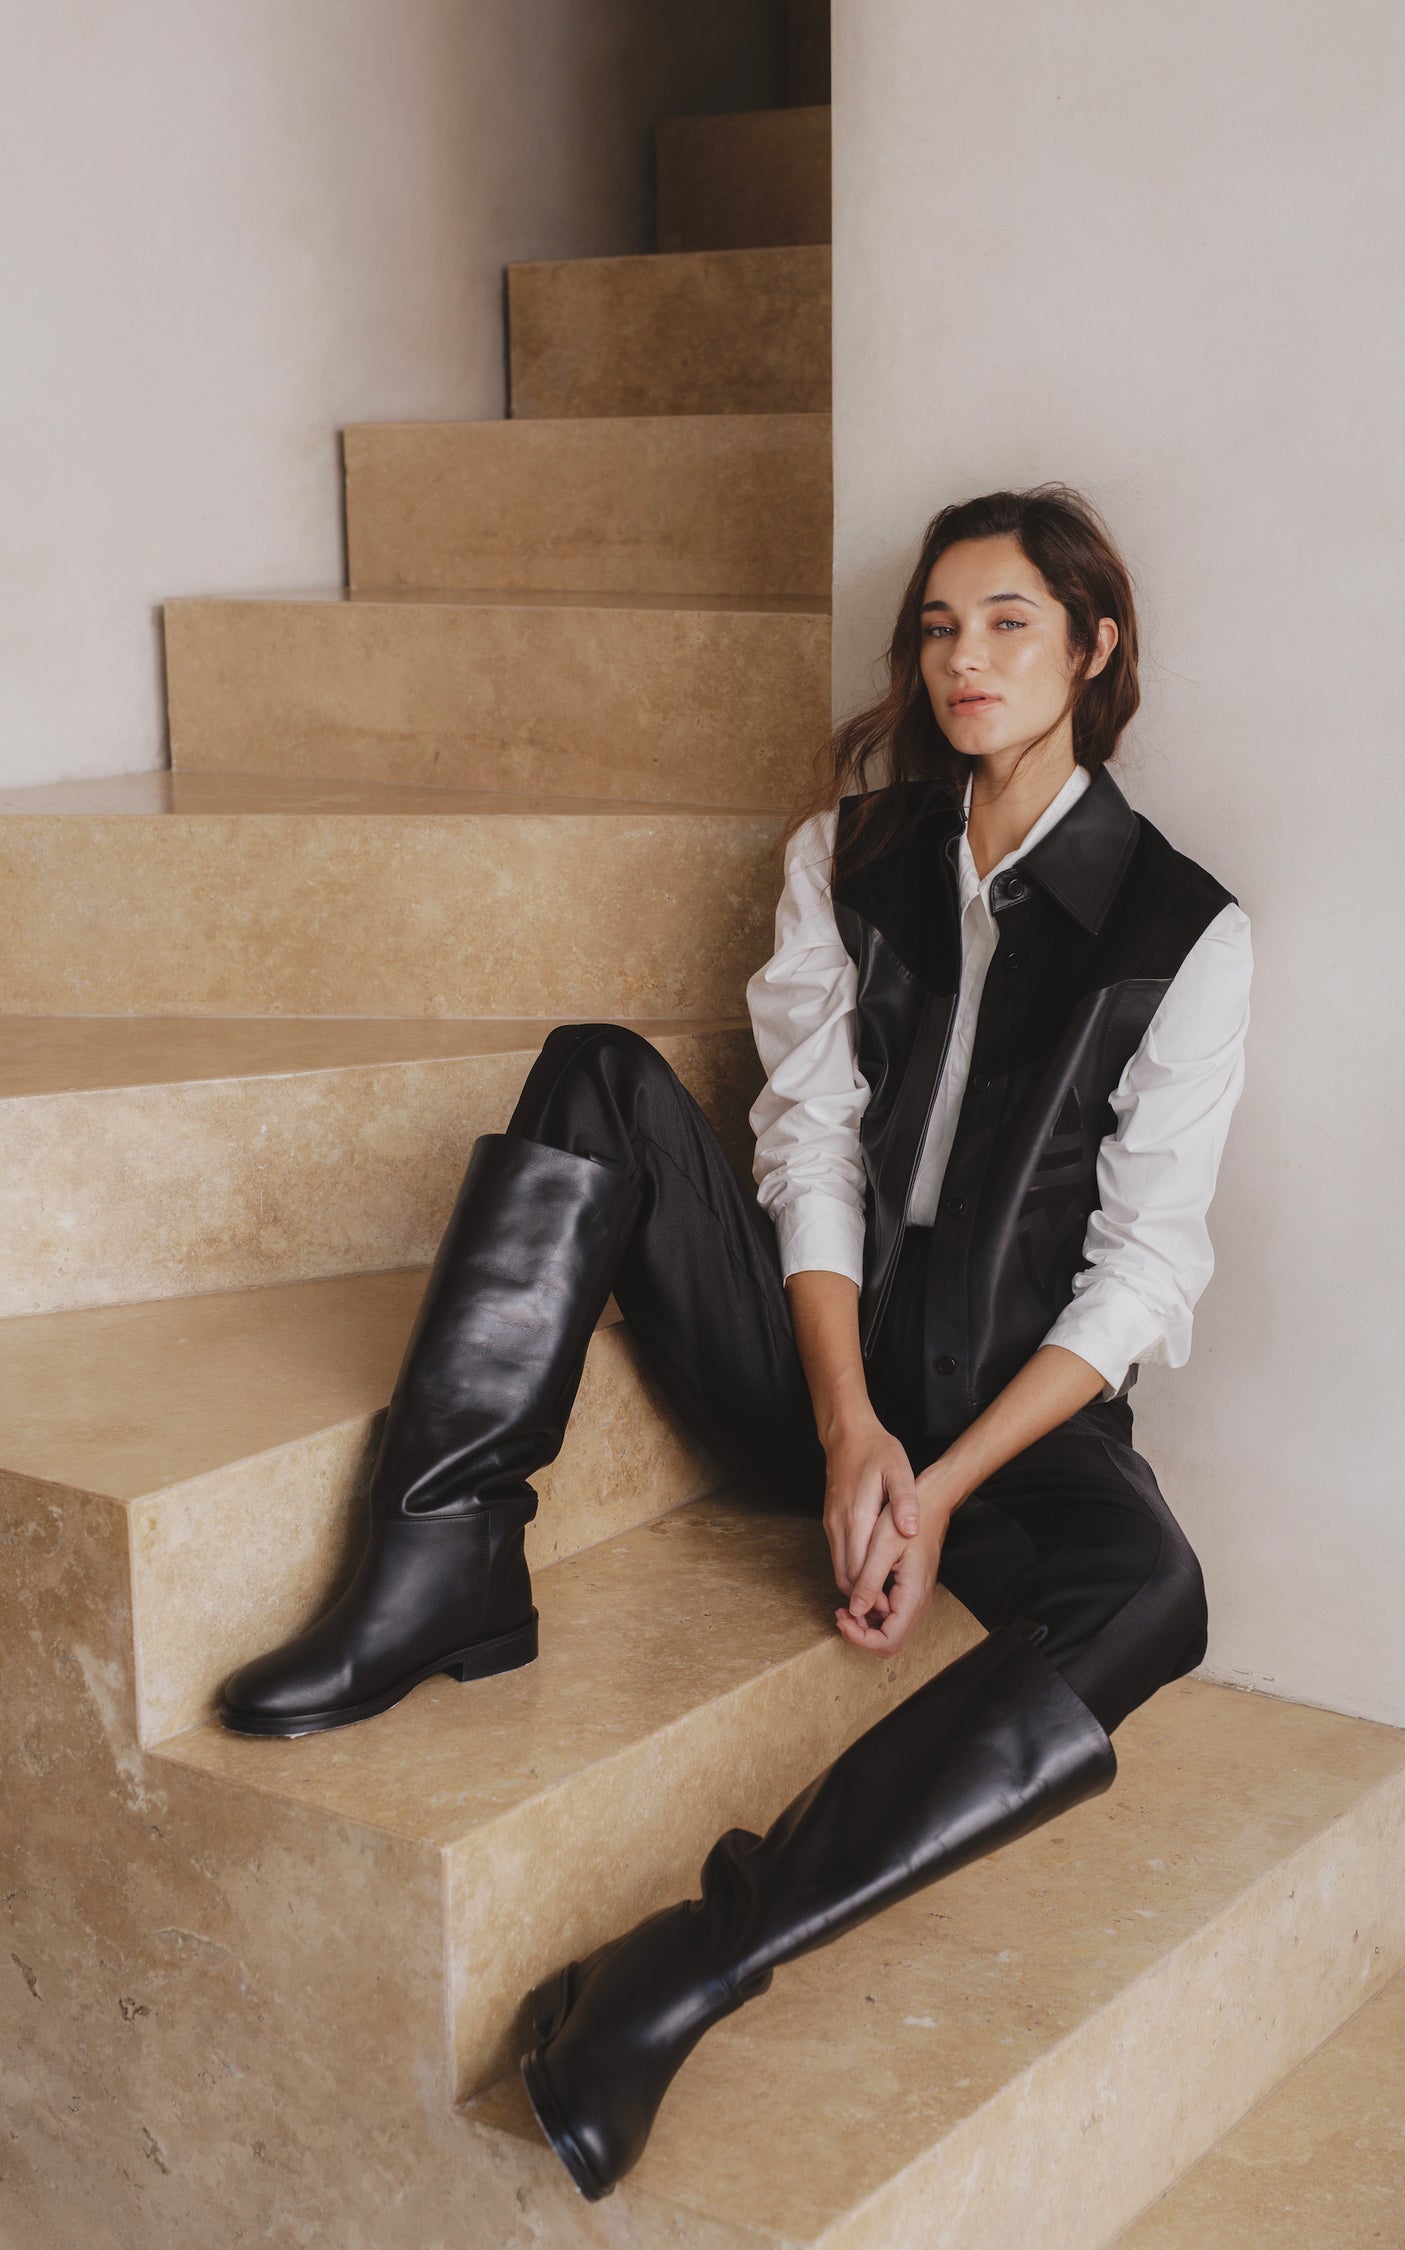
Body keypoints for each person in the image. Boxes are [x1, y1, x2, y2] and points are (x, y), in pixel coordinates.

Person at [218, 484, 1253, 2204]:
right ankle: (439, 1553)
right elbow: (810, 1144)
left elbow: (1140, 1271)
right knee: (595, 1072)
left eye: (1008, 622)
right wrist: (846, 1425)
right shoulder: (845, 857)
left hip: (1006, 1424)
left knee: (1155, 1591)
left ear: (1094, 646)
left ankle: (692, 1962)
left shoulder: (1185, 931)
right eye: (939, 625)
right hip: (817, 1366)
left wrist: (940, 1483)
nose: (965, 658)